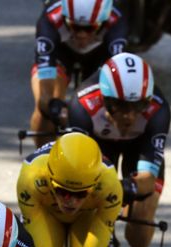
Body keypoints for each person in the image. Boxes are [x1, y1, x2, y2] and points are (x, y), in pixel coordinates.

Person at [67, 52, 171, 247]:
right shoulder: (81, 106)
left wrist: (127, 191)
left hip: (139, 148)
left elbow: (147, 179)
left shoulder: (158, 110)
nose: (128, 116)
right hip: (98, 146)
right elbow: (76, 165)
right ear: (104, 99)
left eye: (137, 107)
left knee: (142, 210)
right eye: (120, 106)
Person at [30, 0, 128, 143]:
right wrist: (52, 106)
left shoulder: (116, 20)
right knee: (46, 105)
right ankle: (44, 158)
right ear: (65, 18)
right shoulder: (50, 18)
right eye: (75, 27)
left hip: (99, 55)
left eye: (90, 28)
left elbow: (118, 70)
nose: (82, 35)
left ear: (103, 20)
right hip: (61, 53)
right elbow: (46, 74)